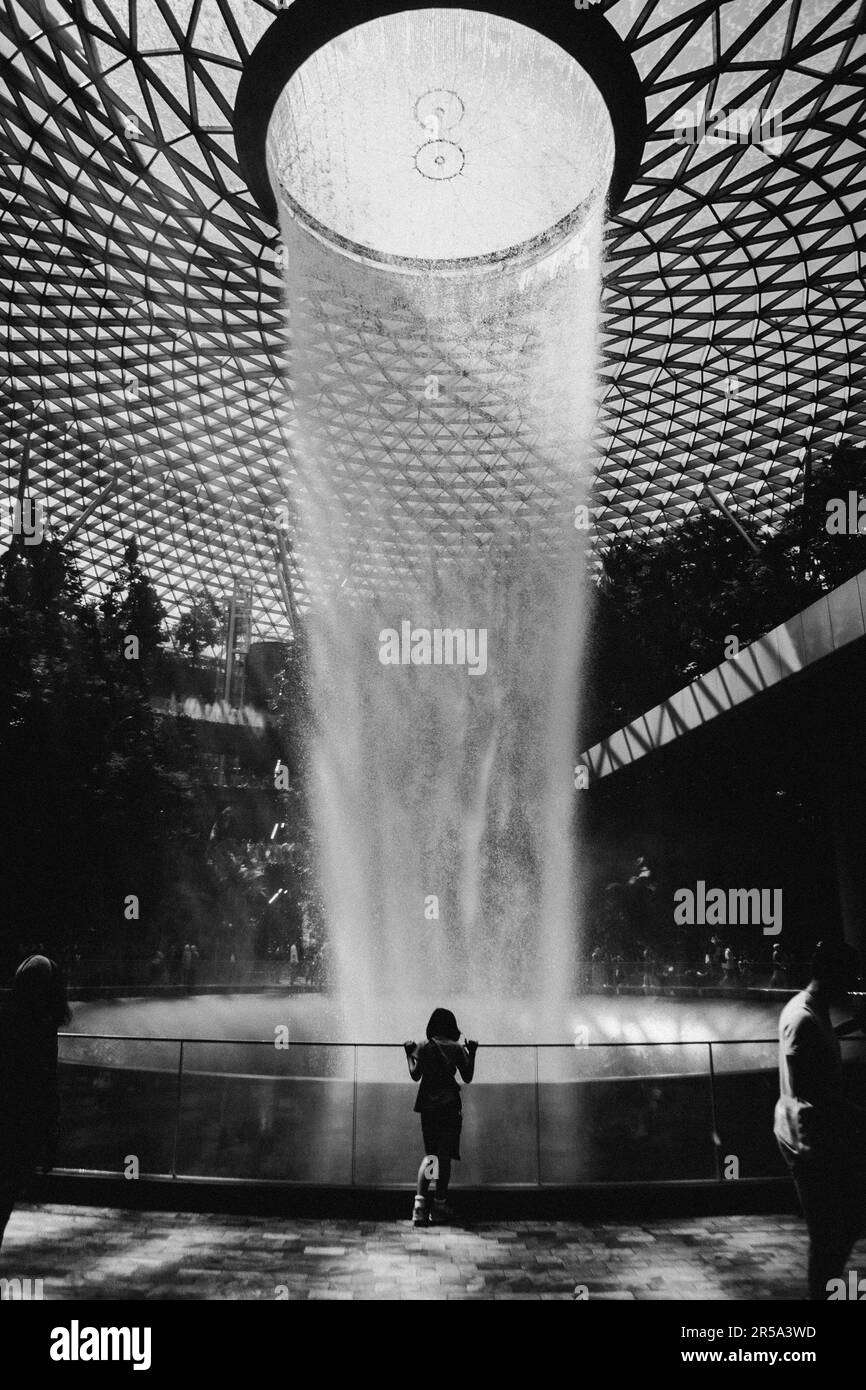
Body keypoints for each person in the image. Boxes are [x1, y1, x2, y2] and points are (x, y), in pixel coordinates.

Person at [774, 939, 866, 1299]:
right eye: (849, 973)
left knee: (836, 1230)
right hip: (808, 1141)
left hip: (811, 1135)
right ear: (832, 972)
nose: (853, 980)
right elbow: (814, 1093)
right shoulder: (804, 1020)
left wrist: (851, 1025)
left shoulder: (810, 1009)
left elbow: (817, 1045)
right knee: (830, 1236)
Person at [0, 954, 71, 1247]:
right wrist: (49, 1131)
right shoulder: (43, 1025)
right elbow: (46, 1081)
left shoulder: (11, 1017)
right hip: (20, 1127)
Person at [404, 1008, 478, 1226]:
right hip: (449, 1107)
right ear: (452, 1026)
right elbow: (468, 1076)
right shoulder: (456, 1048)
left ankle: (419, 1206)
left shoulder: (423, 1046)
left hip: (428, 1107)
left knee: (432, 1156)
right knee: (445, 1157)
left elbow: (415, 1075)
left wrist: (408, 1054)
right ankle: (439, 1204)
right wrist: (472, 1051)